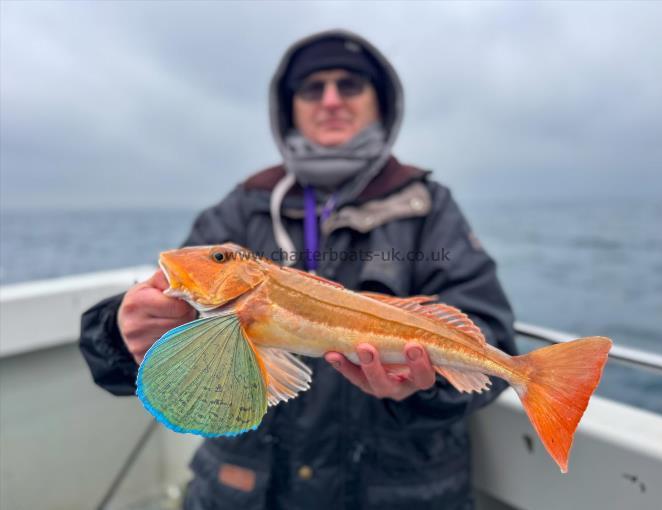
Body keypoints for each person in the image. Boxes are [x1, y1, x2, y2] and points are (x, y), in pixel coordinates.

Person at [79, 29, 517, 510]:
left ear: (381, 103)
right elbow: (157, 305)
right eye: (312, 89)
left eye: (349, 85)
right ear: (290, 108)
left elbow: (493, 339)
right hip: (246, 491)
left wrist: (424, 389)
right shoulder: (244, 206)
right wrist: (124, 331)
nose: (330, 100)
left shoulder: (428, 207)